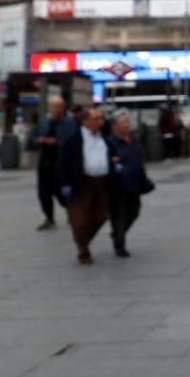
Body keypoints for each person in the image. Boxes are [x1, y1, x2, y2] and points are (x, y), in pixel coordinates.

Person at [58, 108, 113, 265]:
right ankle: (83, 250)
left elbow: (111, 154)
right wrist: (65, 184)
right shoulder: (74, 139)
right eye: (96, 119)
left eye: (100, 119)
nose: (99, 122)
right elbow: (63, 163)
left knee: (101, 216)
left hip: (102, 182)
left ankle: (82, 240)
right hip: (81, 183)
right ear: (85, 121)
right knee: (79, 220)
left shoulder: (104, 138)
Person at [107, 112, 148, 257]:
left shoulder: (133, 139)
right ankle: (120, 245)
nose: (127, 125)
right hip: (117, 184)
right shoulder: (110, 142)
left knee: (134, 211)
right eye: (124, 122)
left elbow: (140, 155)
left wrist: (142, 168)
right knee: (119, 214)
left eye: (127, 122)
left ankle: (118, 233)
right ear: (115, 126)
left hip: (134, 182)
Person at [33, 96, 77, 231]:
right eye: (54, 107)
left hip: (61, 162)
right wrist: (39, 141)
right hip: (45, 162)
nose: (56, 110)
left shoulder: (70, 124)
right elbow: (32, 140)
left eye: (59, 107)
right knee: (43, 192)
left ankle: (72, 212)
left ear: (63, 108)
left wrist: (57, 142)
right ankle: (49, 218)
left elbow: (74, 143)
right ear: (50, 108)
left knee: (61, 191)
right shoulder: (43, 123)